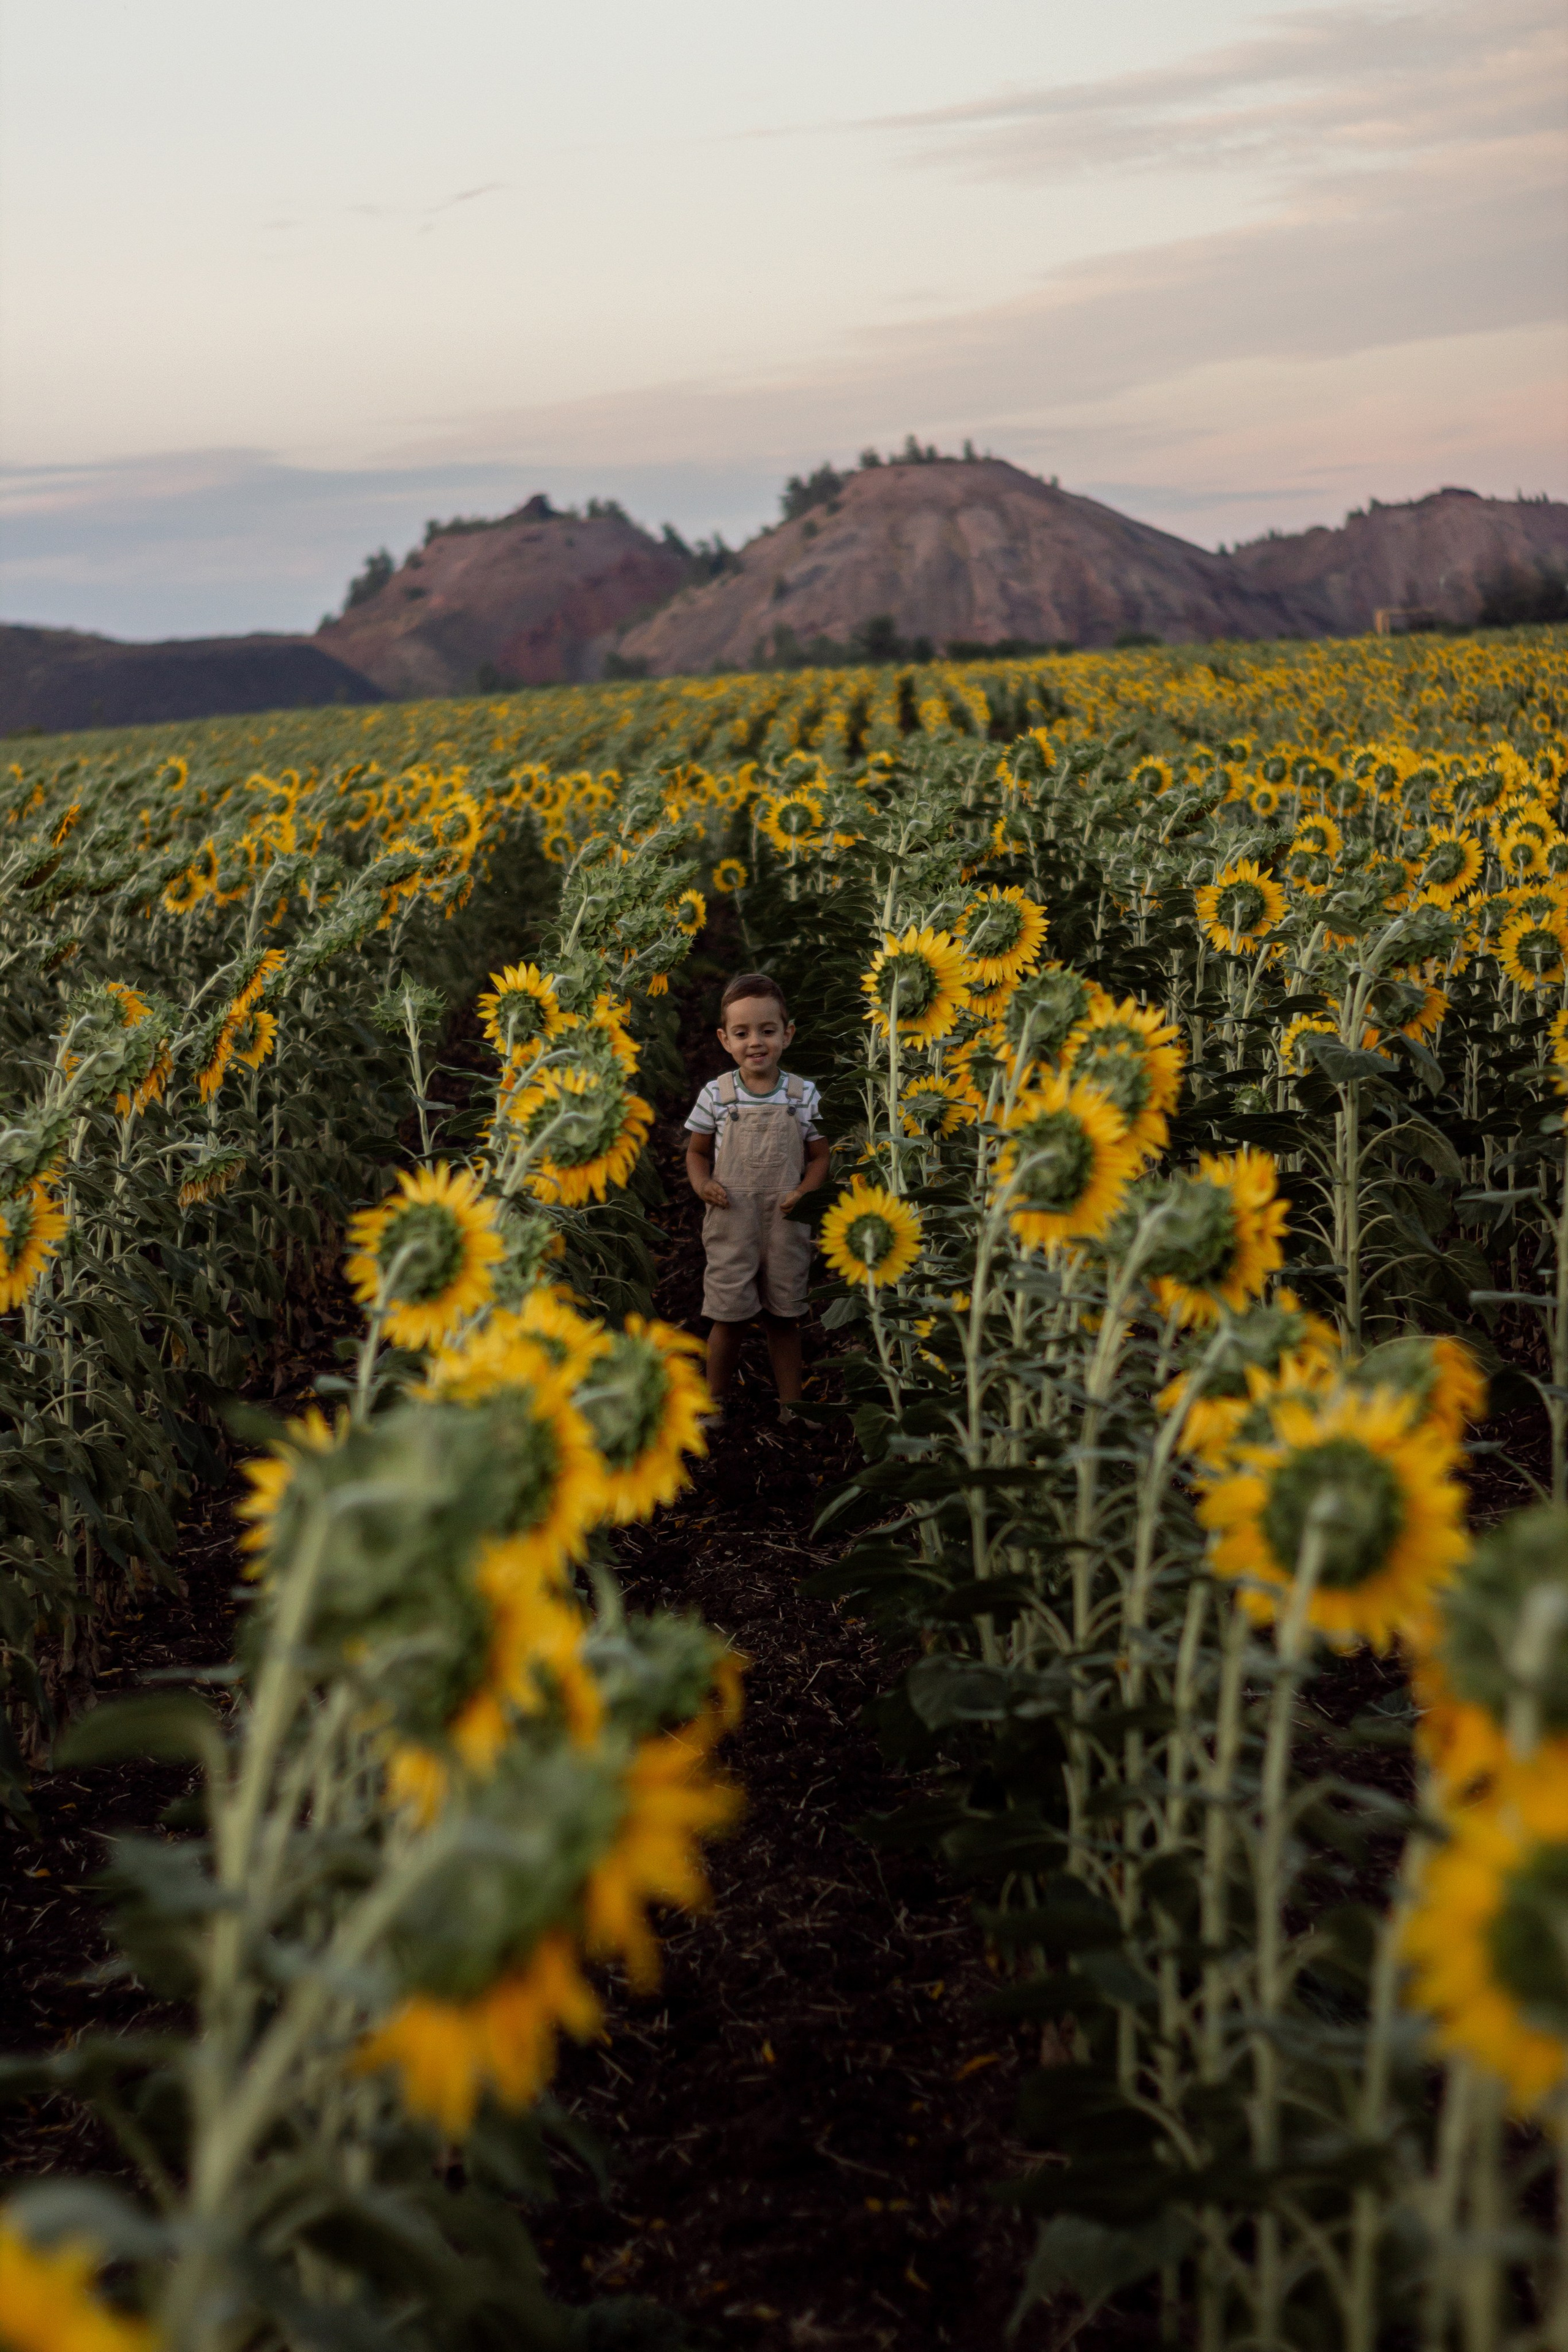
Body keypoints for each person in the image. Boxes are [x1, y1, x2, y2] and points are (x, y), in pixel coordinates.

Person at [684, 971, 831, 1415]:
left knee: (783, 1316)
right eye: (742, 1033)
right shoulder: (717, 1095)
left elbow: (820, 1156)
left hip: (786, 1217)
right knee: (728, 1315)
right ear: (724, 1039)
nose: (756, 1042)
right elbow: (696, 1151)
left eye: (767, 1031)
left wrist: (806, 1191)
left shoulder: (803, 1095)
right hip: (733, 1215)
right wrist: (702, 1184)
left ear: (787, 1035)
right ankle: (713, 1403)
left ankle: (793, 1404)